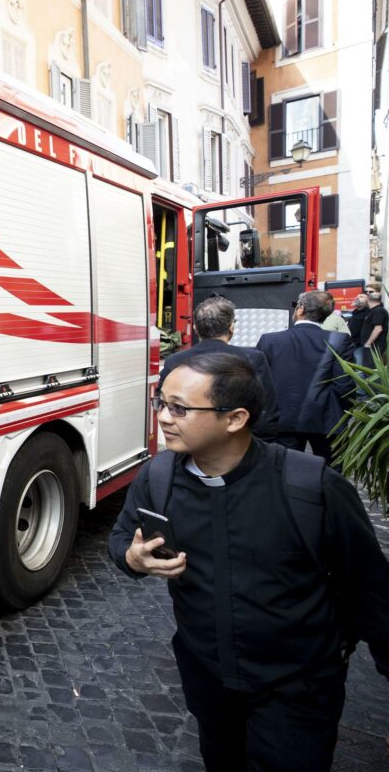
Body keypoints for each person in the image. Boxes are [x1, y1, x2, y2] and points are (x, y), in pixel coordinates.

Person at [108, 352, 389, 772]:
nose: (164, 417)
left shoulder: (311, 487)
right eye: (160, 402)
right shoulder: (158, 476)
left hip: (296, 691)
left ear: (235, 418)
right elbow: (119, 540)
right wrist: (132, 558)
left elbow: (372, 591)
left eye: (180, 408)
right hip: (209, 682)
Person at [158, 297, 279, 441]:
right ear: (231, 327)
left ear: (196, 328)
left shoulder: (175, 360)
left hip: (190, 440)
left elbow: (164, 402)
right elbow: (267, 409)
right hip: (238, 442)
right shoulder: (253, 358)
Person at [255, 290, 355, 464]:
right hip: (327, 421)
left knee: (284, 473)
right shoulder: (340, 341)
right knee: (331, 475)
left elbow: (259, 384)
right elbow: (345, 386)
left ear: (300, 309)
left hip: (283, 420)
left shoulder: (270, 341)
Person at [358, 289, 386, 365]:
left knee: (370, 370)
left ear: (368, 299)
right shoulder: (373, 310)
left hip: (374, 347)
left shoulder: (378, 311)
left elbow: (378, 329)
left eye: (370, 292)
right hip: (372, 347)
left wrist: (368, 343)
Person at [347, 293, 371, 366]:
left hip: (360, 345)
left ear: (368, 300)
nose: (357, 298)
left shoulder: (369, 313)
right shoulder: (355, 313)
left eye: (361, 297)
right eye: (357, 296)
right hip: (352, 344)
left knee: (359, 368)